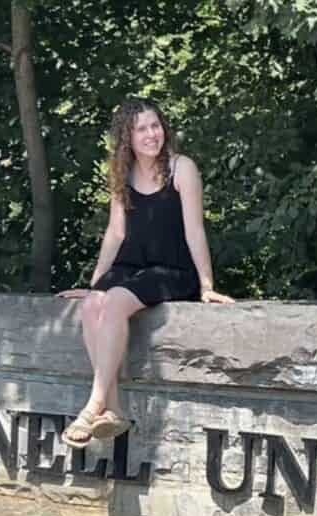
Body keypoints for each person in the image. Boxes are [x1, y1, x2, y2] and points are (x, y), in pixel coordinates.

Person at [56, 97, 234, 449]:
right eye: (142, 129)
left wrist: (207, 284)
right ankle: (116, 409)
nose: (152, 134)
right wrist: (94, 284)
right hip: (133, 267)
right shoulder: (122, 175)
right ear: (128, 137)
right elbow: (116, 233)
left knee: (116, 302)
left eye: (156, 125)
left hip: (172, 269)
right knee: (94, 304)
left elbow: (195, 230)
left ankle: (95, 402)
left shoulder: (181, 168)